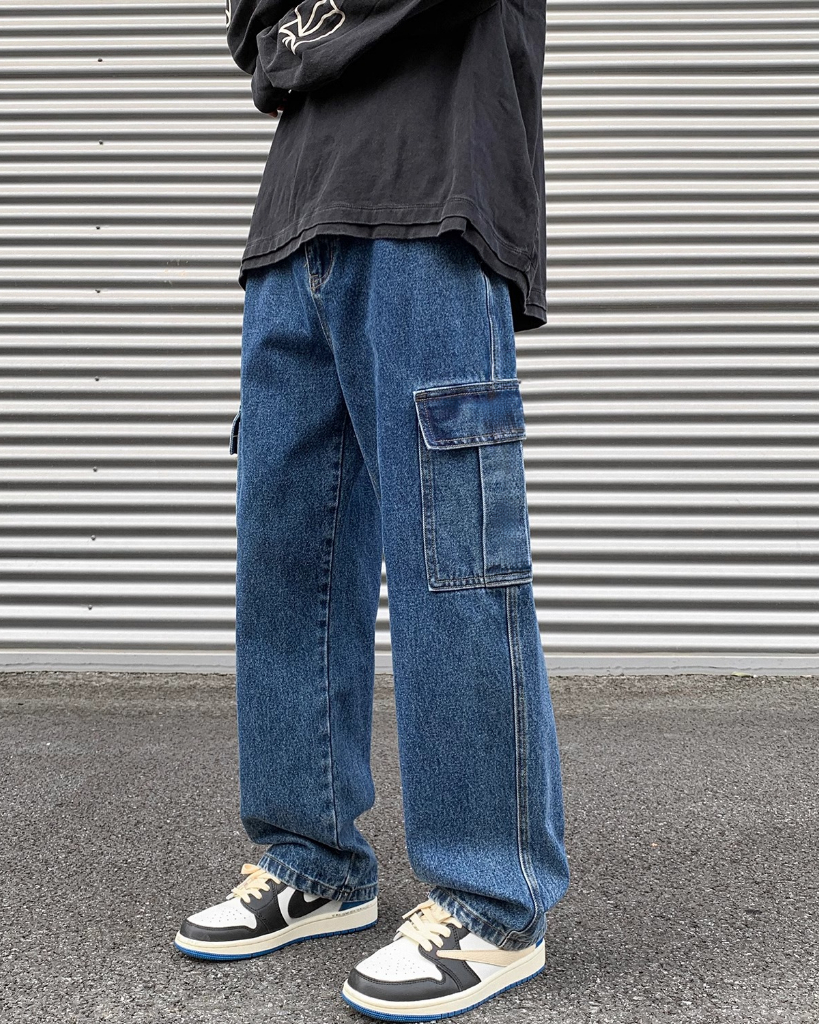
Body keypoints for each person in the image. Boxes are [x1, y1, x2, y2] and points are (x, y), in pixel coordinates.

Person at [174, 1, 570, 1018]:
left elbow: (290, 39)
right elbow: (252, 33)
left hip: (434, 212)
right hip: (291, 230)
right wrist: (304, 35)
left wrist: (303, 36)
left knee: (454, 563)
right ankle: (311, 860)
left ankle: (494, 901)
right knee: (284, 567)